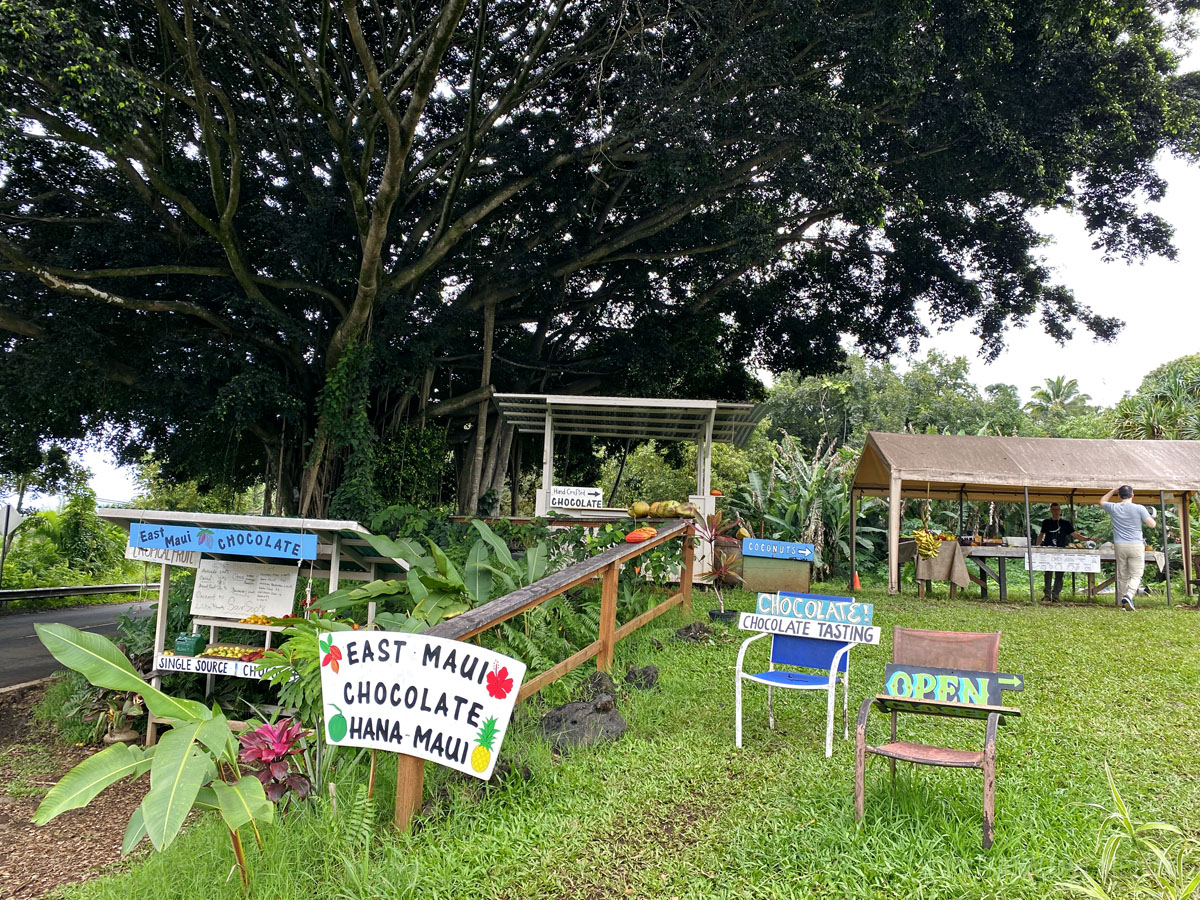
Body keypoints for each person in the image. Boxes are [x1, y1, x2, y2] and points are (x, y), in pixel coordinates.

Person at [1099, 485, 1157, 611]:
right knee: (1136, 574)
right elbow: (1152, 525)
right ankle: (1129, 596)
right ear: (1132, 495)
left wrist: (1112, 490)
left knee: (1122, 574)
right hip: (1136, 545)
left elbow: (1102, 501)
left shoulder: (1113, 507)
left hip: (1119, 545)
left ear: (1119, 496)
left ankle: (1123, 603)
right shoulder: (1139, 508)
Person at [1037, 503, 1090, 601]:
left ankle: (1056, 595)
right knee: (1048, 573)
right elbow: (1041, 534)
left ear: (1060, 511)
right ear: (1051, 511)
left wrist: (1087, 539)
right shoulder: (1046, 522)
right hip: (1048, 550)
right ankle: (1047, 595)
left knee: (1059, 573)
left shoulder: (1065, 523)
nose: (1056, 512)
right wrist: (1037, 546)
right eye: (1054, 510)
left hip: (1061, 551)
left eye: (1057, 510)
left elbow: (1074, 534)